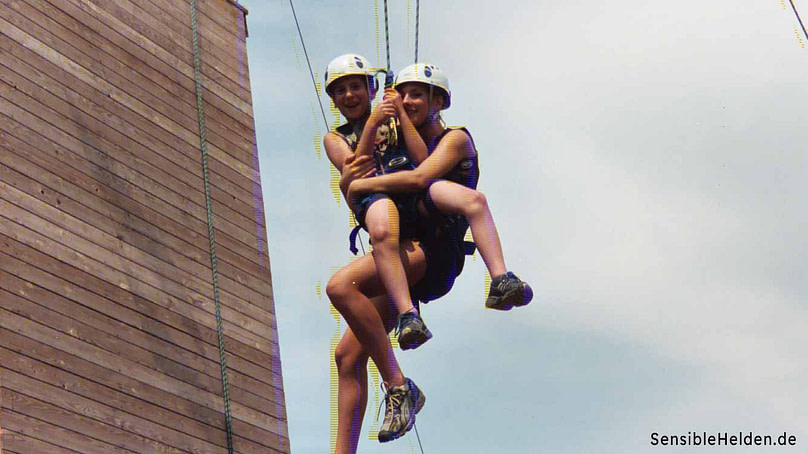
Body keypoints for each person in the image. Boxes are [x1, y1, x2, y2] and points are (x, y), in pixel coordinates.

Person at [346, 63, 534, 312]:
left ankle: (501, 279)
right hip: (406, 248)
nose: (407, 102)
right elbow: (361, 164)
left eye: (417, 95)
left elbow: (419, 178)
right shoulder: (399, 144)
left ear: (438, 102)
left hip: (438, 252)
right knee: (346, 353)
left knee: (475, 200)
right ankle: (406, 321)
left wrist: (359, 185)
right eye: (403, 96)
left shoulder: (455, 139)